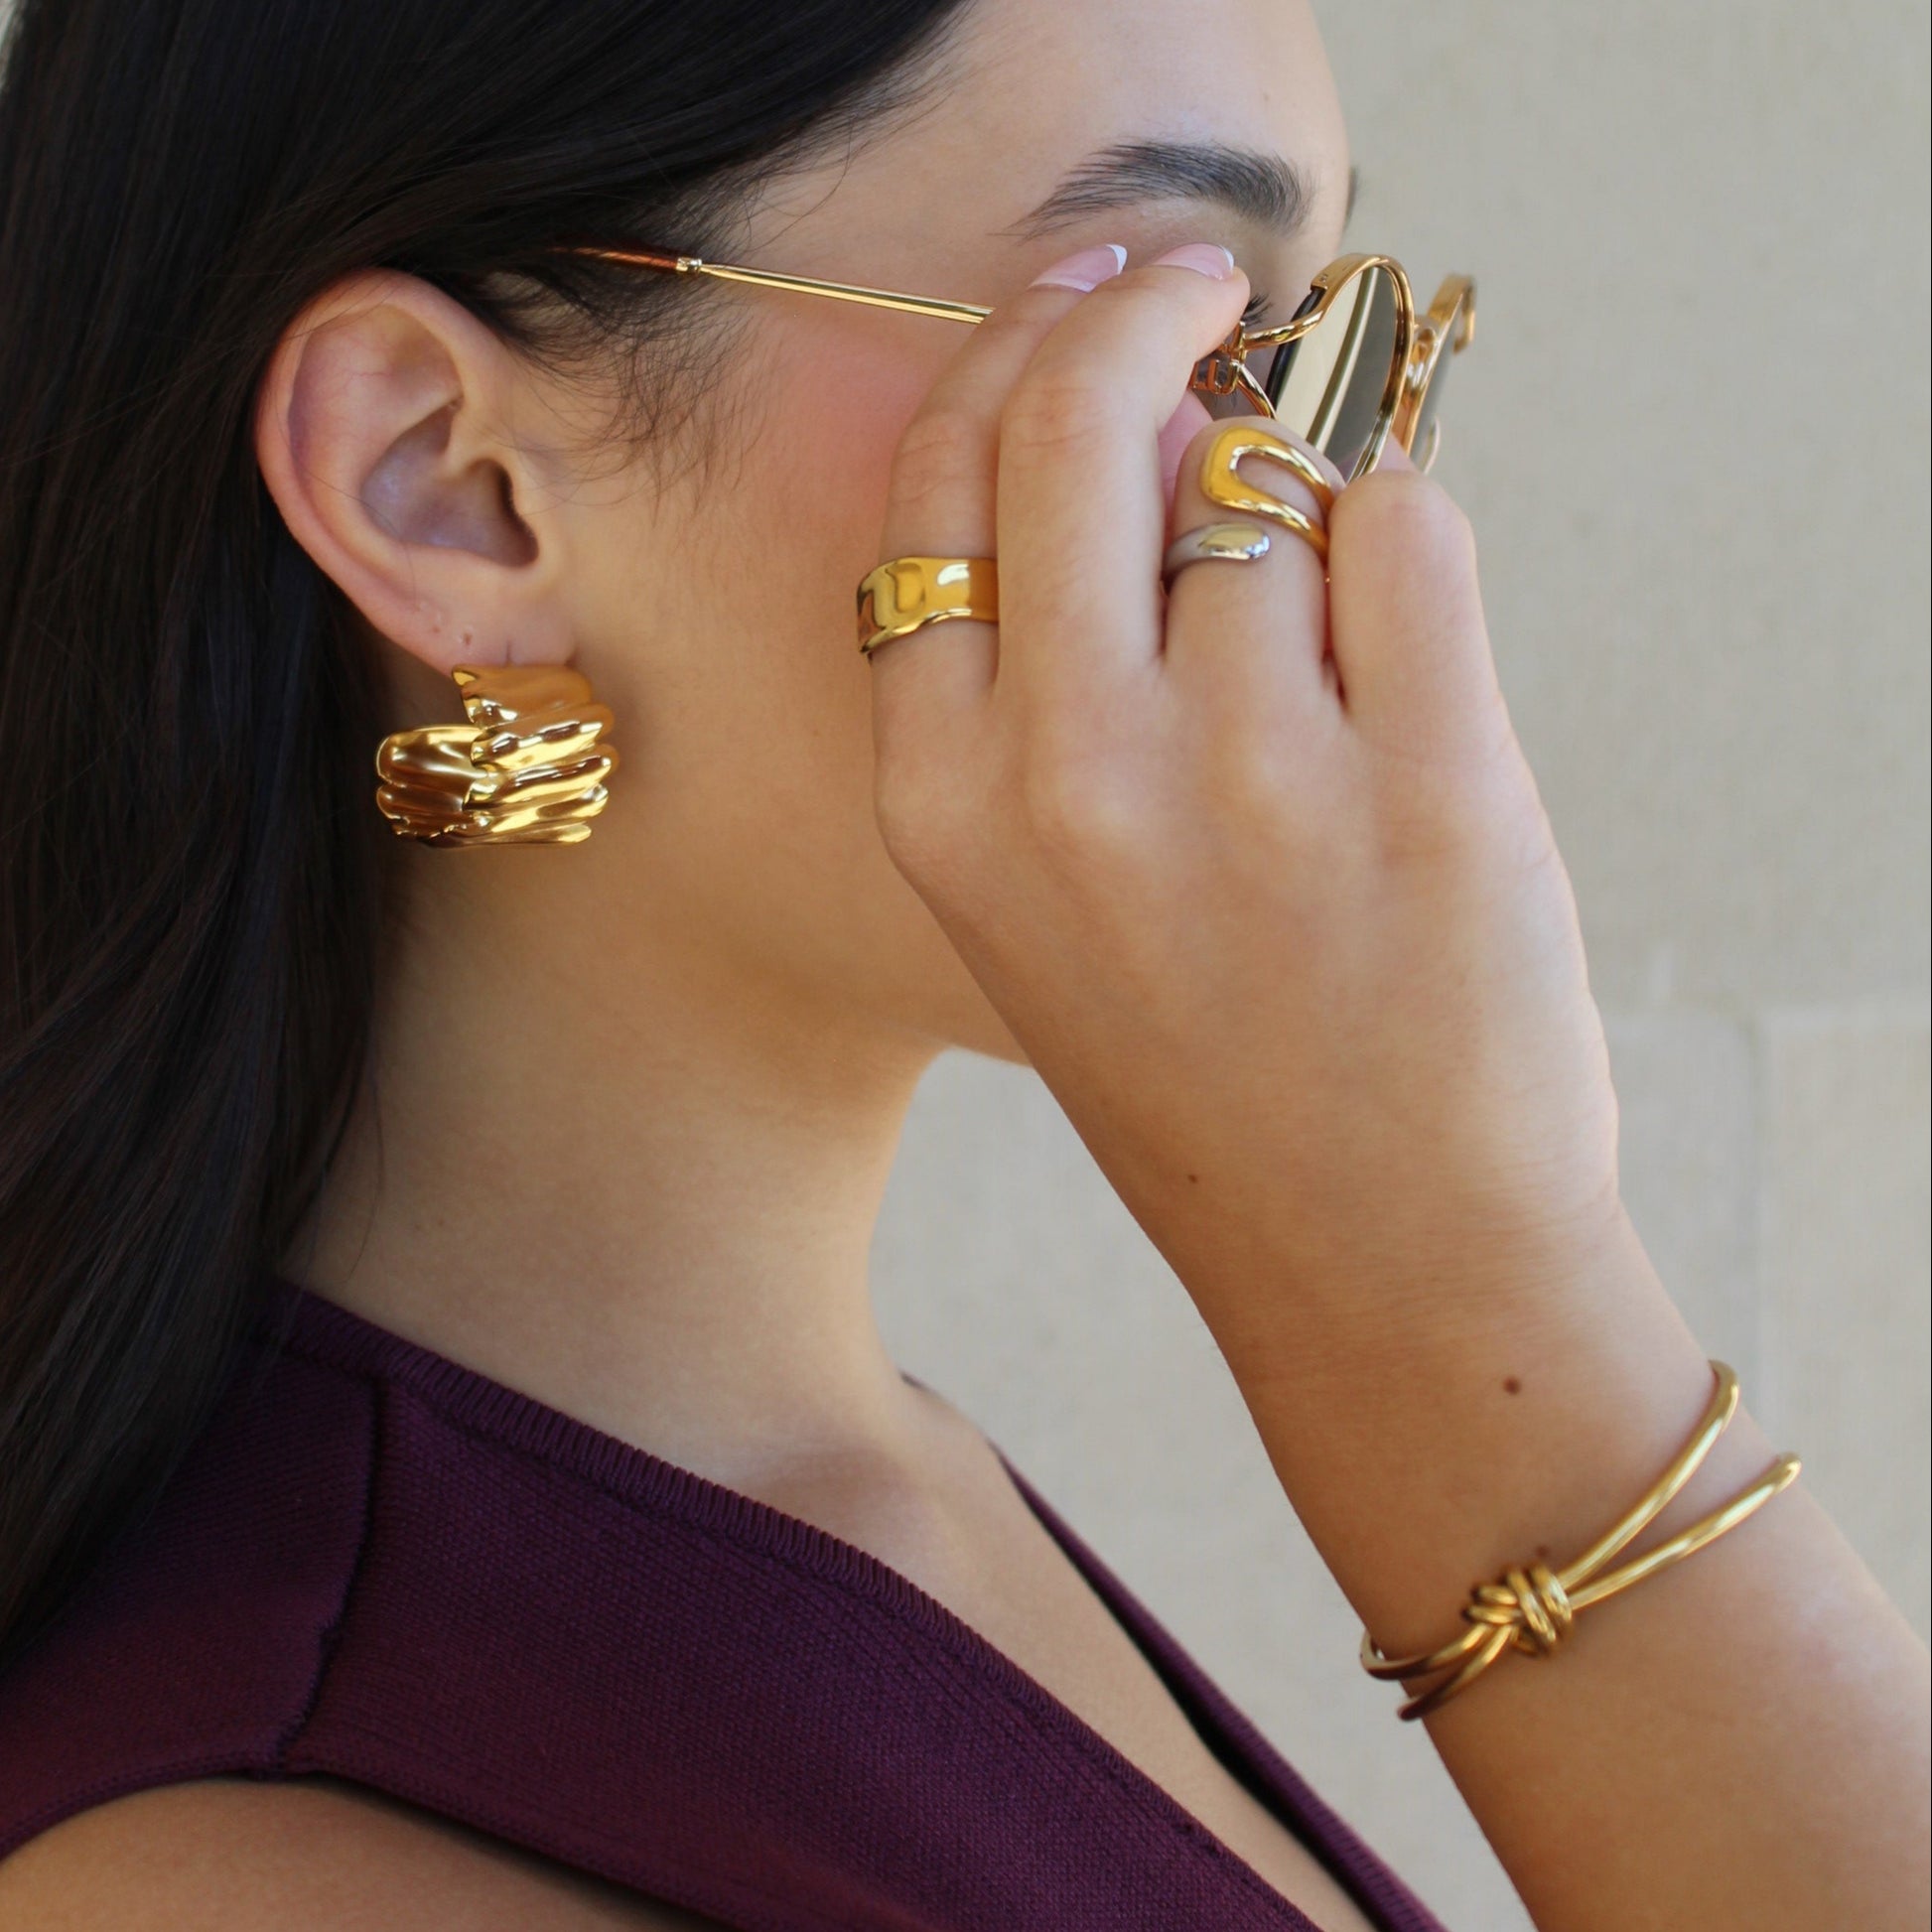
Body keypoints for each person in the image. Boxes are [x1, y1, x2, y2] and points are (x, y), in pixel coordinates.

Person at [0, 0, 1924, 1926]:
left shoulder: (839, 1488)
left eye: (1347, 350)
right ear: (450, 483)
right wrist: (1476, 1323)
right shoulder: (264, 1854)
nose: (1335, 507)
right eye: (1197, 339)